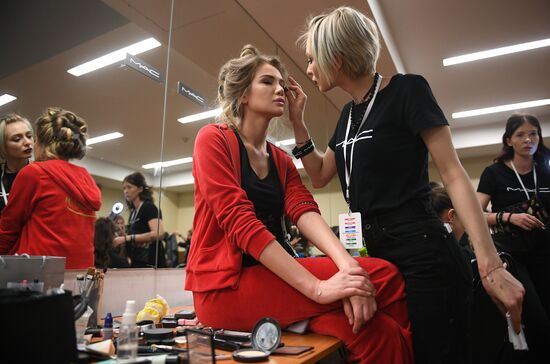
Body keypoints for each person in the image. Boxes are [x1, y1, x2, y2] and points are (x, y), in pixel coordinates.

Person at [290, 6, 524, 363]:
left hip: (422, 250)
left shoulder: (406, 90)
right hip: (377, 251)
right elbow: (321, 173)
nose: (308, 69)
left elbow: (452, 172)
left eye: (311, 59)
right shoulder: (347, 115)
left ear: (334, 56)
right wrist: (299, 125)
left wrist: (488, 261)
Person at [186, 44, 414, 363]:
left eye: (282, 82)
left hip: (276, 282)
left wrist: (347, 266)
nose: (280, 88)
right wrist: (320, 290)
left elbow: (304, 211)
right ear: (242, 95)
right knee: (384, 275)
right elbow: (241, 223)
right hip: (225, 289)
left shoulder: (281, 160)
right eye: (267, 81)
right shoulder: (213, 139)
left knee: (376, 333)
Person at [477, 113, 550, 363]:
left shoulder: (547, 167)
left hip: (545, 250)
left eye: (533, 134)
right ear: (509, 141)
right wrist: (508, 217)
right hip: (514, 254)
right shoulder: (495, 173)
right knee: (535, 316)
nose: (528, 139)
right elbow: (475, 214)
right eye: (520, 134)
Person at [0, 107, 101, 269]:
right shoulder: (85, 177)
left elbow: (8, 229)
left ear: (41, 143)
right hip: (79, 271)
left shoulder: (35, 173)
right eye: (17, 138)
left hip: (39, 272)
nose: (29, 144)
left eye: (32, 138)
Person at [114, 172, 165, 268]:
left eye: (129, 187)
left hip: (150, 262)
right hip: (137, 261)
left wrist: (127, 238)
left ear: (140, 189)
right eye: (124, 188)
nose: (125, 191)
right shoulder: (133, 212)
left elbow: (159, 233)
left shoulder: (149, 207)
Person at [0, 113, 34, 213]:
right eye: (17, 139)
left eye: (29, 136)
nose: (27, 142)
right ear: (2, 145)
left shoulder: (44, 173)